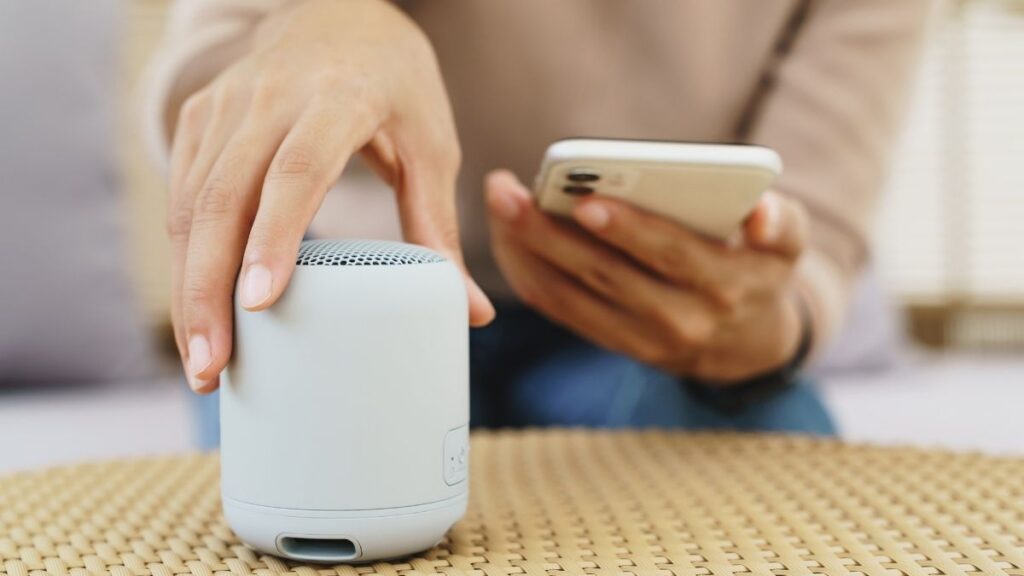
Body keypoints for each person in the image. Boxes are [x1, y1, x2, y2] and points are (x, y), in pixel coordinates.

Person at [144, 0, 929, 434]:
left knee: (777, 457)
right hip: (346, 292)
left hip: (646, 325)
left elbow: (816, 234)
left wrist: (758, 327)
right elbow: (203, 82)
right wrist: (309, 25)